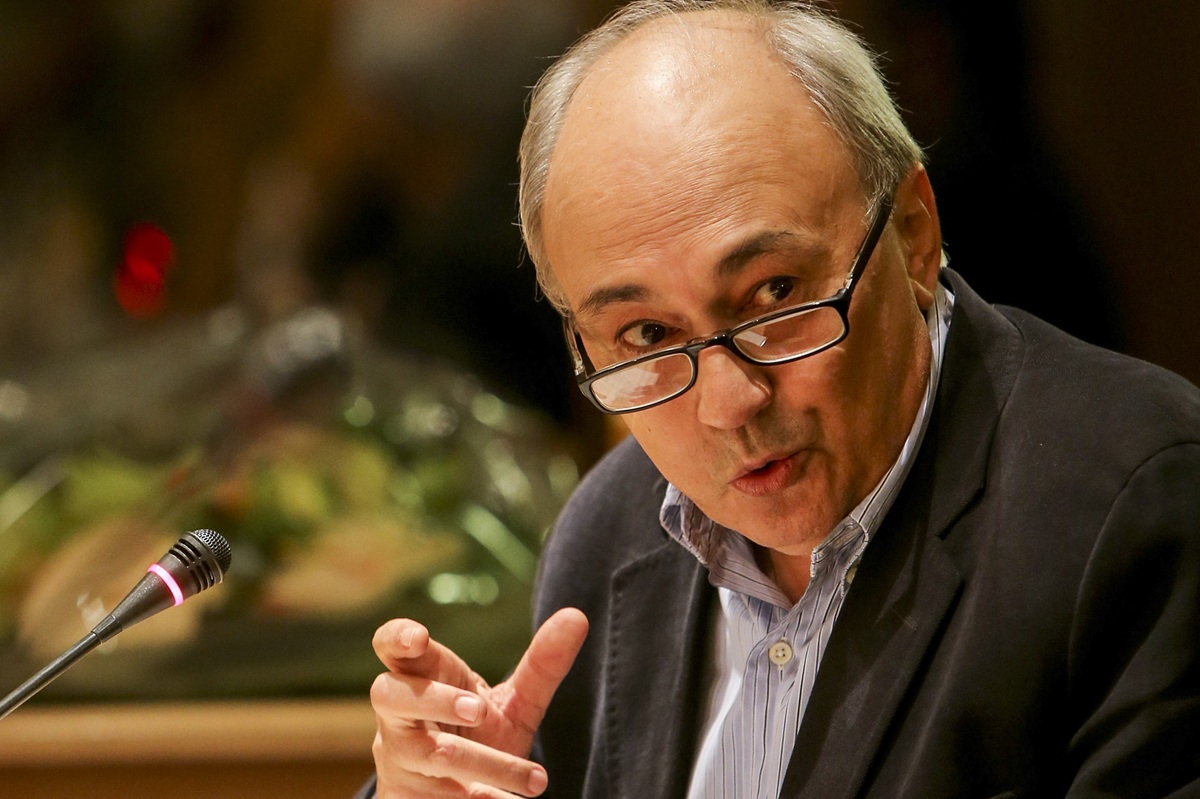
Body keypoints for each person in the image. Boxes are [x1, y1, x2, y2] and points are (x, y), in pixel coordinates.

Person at [357, 1, 1200, 797]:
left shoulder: (1137, 507)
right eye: (646, 335)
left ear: (913, 234)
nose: (728, 401)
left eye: (775, 294)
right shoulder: (609, 537)